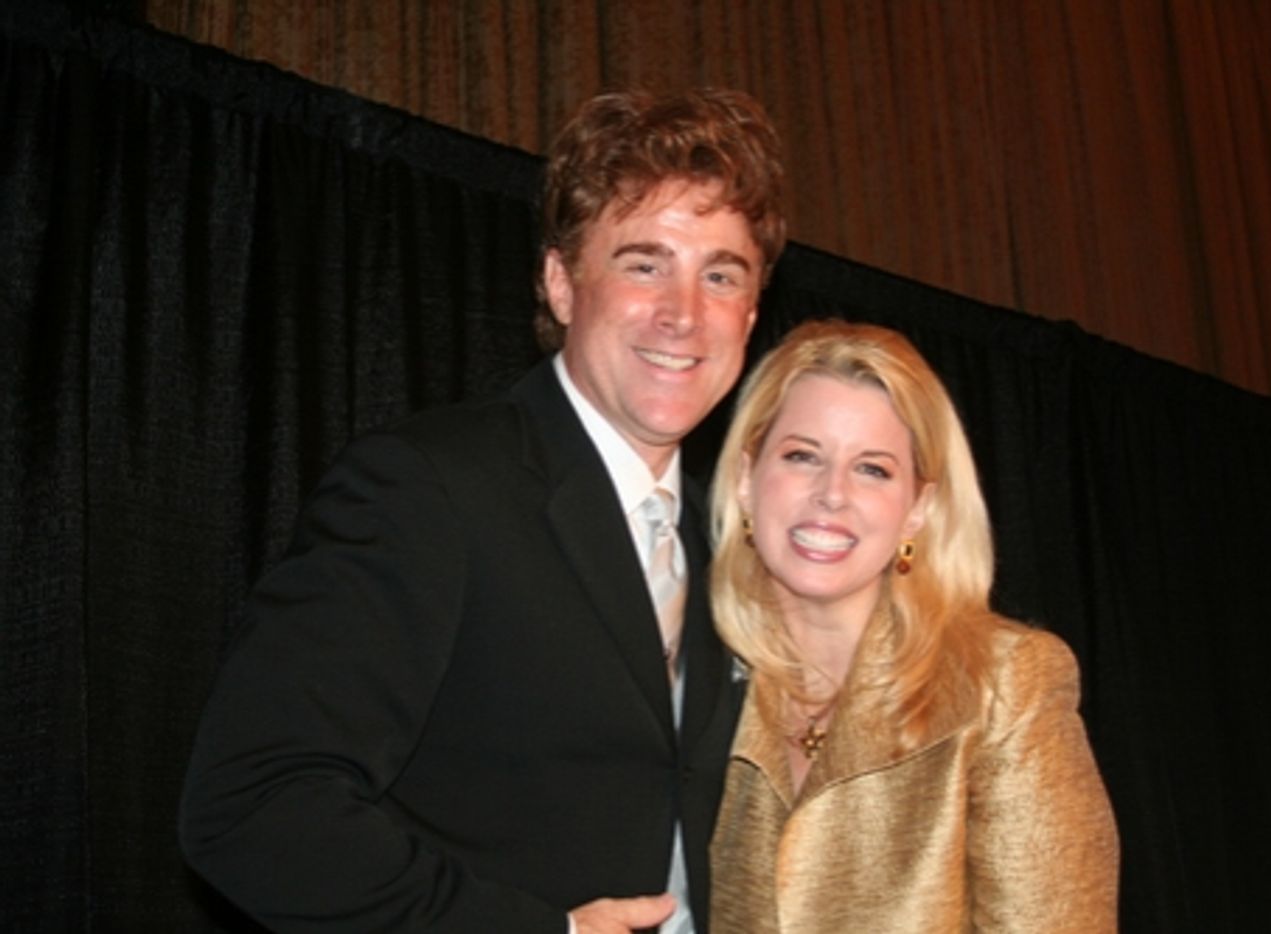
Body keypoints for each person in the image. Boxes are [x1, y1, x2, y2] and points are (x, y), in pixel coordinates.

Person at [179, 88, 787, 934]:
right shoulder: (427, 485)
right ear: (561, 283)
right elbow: (252, 806)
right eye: (644, 264)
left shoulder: (734, 544)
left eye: (720, 275)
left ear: (750, 315)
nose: (683, 314)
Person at [705, 320, 1119, 932]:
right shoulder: (693, 681)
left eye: (872, 469)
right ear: (746, 478)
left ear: (918, 509)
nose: (831, 494)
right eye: (802, 456)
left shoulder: (1003, 683)